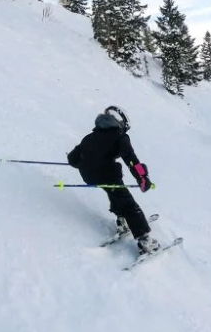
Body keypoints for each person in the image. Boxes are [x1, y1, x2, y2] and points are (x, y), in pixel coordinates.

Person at [67, 106, 160, 254]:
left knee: (114, 193)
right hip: (108, 175)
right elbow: (131, 160)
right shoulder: (120, 136)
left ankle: (122, 222)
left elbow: (72, 159)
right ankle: (145, 241)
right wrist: (142, 176)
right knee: (128, 203)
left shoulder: (89, 137)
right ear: (120, 122)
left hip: (89, 177)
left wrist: (87, 162)